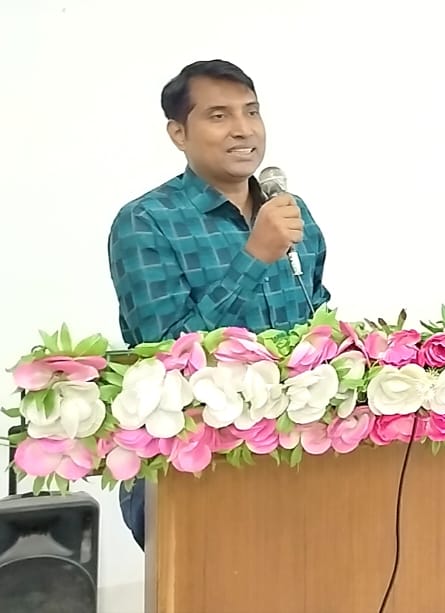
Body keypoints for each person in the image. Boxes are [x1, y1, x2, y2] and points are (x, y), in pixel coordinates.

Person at [107, 60, 330, 549]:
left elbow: (319, 323)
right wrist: (254, 257)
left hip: (298, 456)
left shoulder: (291, 213)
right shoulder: (145, 222)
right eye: (219, 116)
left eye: (251, 112)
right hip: (195, 461)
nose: (243, 129)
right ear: (178, 133)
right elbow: (163, 356)